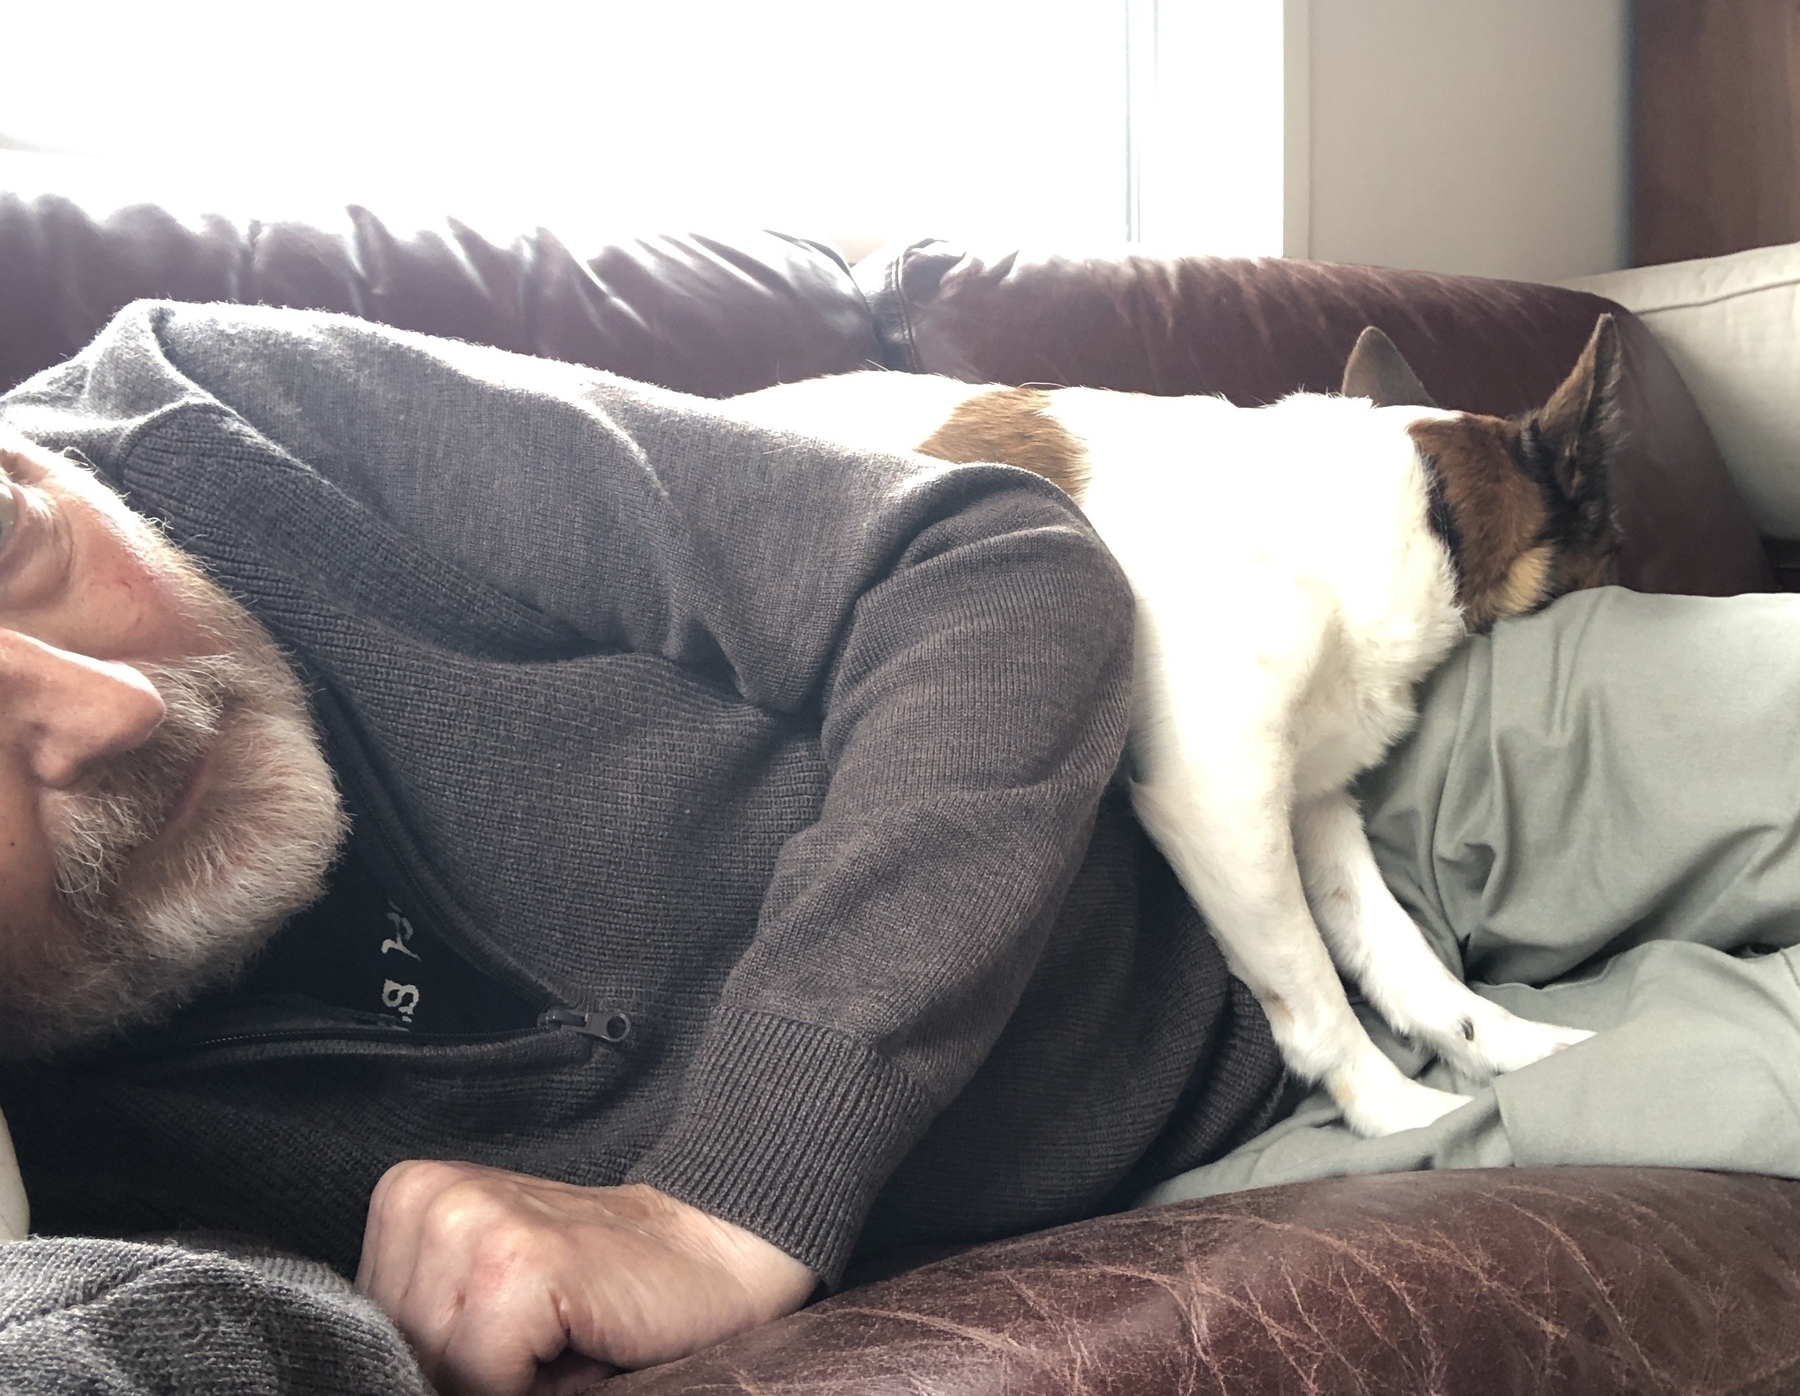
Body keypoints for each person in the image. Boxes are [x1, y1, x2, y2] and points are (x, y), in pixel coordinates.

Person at [0, 299, 1288, 1393]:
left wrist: (733, 1193)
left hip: (1350, 800)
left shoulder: (212, 405)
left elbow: (979, 565)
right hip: (1250, 1160)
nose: (119, 711)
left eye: (11, 536)